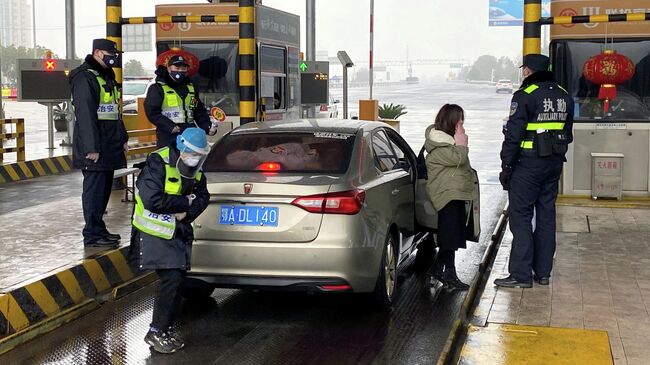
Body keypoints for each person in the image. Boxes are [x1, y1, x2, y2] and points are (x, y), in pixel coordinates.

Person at [495, 54, 574, 288]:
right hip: (554, 164)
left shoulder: (525, 95)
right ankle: (543, 273)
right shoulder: (564, 95)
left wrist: (506, 166)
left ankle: (520, 275)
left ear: (528, 71)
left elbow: (514, 135)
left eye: (524, 70)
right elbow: (568, 134)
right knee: (546, 216)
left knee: (520, 217)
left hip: (527, 166)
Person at [132, 127, 210, 354]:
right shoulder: (159, 163)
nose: (195, 159)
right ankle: (156, 331)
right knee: (171, 279)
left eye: (199, 154)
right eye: (192, 153)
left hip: (179, 232)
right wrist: (184, 203)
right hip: (154, 233)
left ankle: (164, 329)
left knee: (178, 281)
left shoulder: (196, 169)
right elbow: (151, 199)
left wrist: (188, 211)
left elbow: (203, 197)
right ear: (182, 147)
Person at [69, 38, 128, 247]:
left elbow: (114, 112)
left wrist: (122, 138)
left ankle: (99, 229)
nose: (115, 57)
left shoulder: (106, 77)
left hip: (109, 143)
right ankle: (92, 234)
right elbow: (85, 115)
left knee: (103, 190)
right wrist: (91, 147)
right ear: (97, 53)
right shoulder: (85, 77)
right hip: (96, 146)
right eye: (110, 53)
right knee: (94, 191)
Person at [424, 104, 475, 290]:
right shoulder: (439, 145)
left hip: (455, 194)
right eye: (460, 122)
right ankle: (441, 271)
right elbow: (459, 159)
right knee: (449, 237)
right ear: (451, 122)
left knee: (453, 236)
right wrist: (462, 143)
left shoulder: (449, 143)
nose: (463, 126)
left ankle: (445, 271)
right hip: (446, 196)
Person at [144, 54, 213, 149]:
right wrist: (170, 126)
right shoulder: (158, 88)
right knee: (168, 161)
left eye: (183, 68)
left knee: (191, 161)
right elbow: (152, 112)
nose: (180, 70)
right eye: (177, 67)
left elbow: (198, 111)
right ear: (168, 68)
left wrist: (208, 127)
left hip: (189, 135)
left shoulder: (191, 88)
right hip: (168, 135)